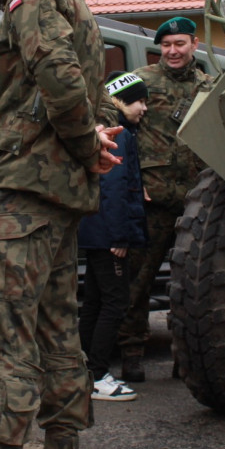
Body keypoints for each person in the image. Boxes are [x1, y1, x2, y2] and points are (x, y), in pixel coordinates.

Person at [0, 0, 122, 449]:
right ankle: (63, 443)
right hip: (55, 193)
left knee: (3, 335)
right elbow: (90, 93)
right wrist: (89, 145)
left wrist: (81, 144)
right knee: (58, 330)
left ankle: (2, 446)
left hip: (24, 193)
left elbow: (61, 78)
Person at [118, 16, 210, 384]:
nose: (172, 51)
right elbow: (104, 113)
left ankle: (184, 356)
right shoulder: (135, 78)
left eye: (180, 44)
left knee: (192, 285)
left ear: (194, 44)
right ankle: (131, 354)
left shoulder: (209, 84)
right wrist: (129, 181)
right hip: (151, 198)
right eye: (167, 45)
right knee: (137, 282)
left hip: (195, 201)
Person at [78, 72, 149, 403]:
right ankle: (98, 374)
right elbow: (115, 188)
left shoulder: (105, 127)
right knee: (115, 301)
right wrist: (120, 236)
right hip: (109, 234)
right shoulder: (118, 133)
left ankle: (83, 372)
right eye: (140, 101)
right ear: (122, 100)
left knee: (94, 300)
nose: (144, 108)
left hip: (94, 231)